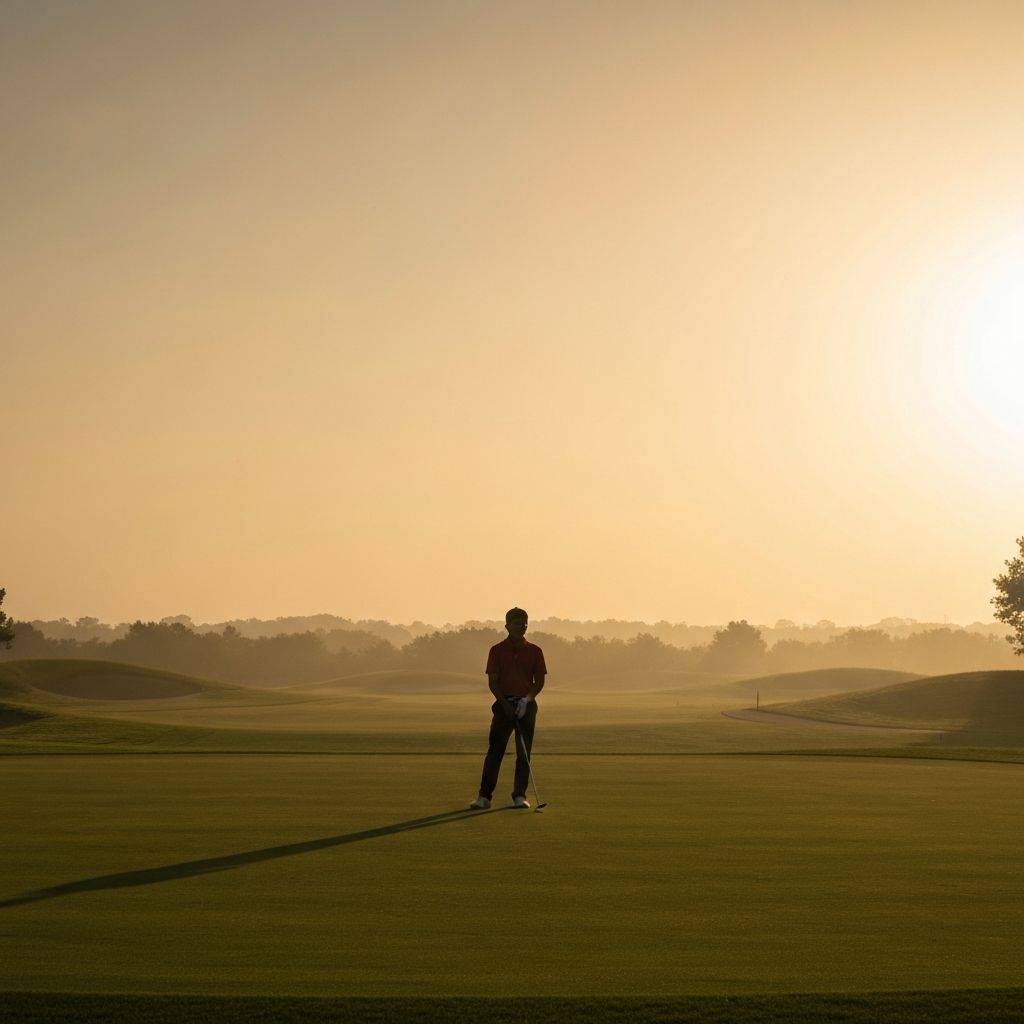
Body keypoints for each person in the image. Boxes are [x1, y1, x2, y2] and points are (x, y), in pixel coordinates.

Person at [470, 607, 546, 810]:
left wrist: (526, 701)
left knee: (524, 753)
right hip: (503, 705)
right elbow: (493, 682)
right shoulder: (496, 650)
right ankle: (484, 797)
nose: (521, 627)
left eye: (524, 623)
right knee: (495, 751)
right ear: (507, 626)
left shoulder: (535, 651)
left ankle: (520, 796)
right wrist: (505, 705)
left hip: (526, 707)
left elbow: (539, 681)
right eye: (516, 623)